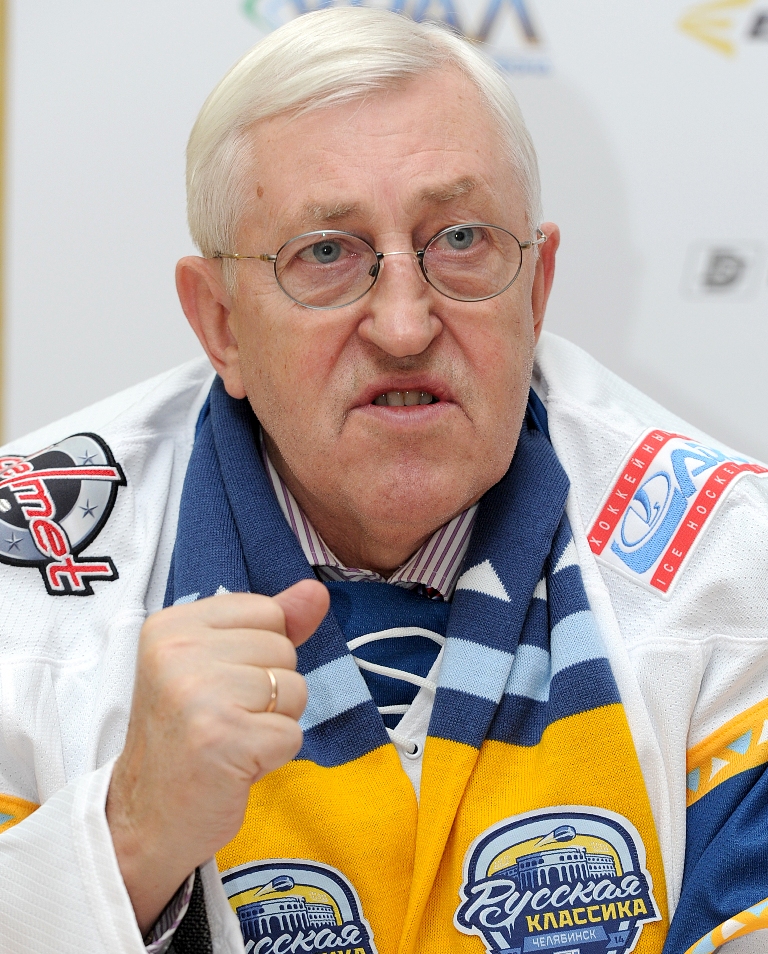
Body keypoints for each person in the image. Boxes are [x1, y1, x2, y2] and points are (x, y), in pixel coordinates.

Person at [0, 8, 766, 954]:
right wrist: (126, 840)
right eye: (326, 253)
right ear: (221, 322)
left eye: (461, 240)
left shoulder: (731, 564)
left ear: (537, 288)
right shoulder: (25, 593)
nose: (405, 326)